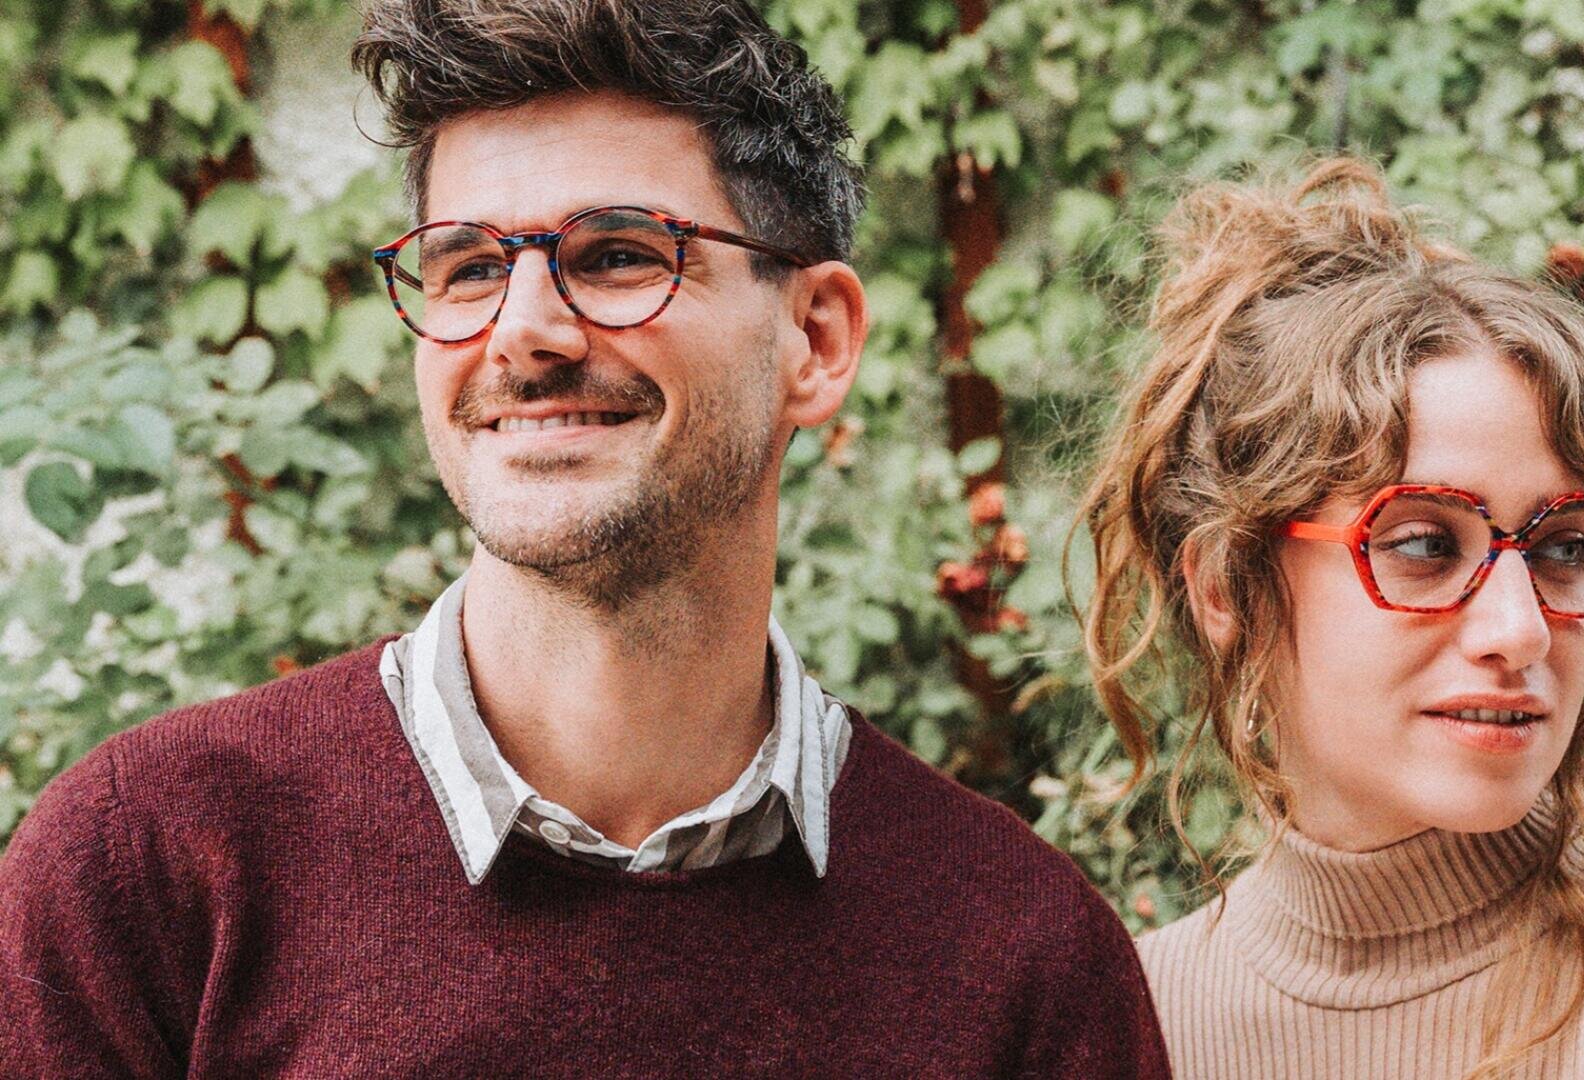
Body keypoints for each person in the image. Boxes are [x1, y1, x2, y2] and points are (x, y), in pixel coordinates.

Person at [0, 2, 1169, 1075]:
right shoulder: (145, 880)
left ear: (815, 337)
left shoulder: (1021, 959)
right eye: (465, 266)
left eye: (616, 254)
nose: (523, 333)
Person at [1079, 156, 1584, 1078]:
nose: (1519, 631)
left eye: (1564, 549)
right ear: (1224, 588)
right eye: (1424, 545)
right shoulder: (1130, 1027)